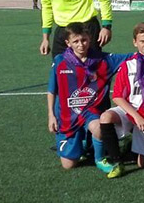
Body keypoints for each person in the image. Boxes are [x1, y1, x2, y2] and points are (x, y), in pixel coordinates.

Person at [46, 22, 130, 171]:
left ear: (90, 39)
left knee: (99, 127)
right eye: (76, 41)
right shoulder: (60, 61)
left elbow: (133, 57)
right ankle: (84, 143)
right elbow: (52, 91)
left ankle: (99, 159)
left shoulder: (103, 60)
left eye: (84, 40)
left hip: (91, 113)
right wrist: (51, 116)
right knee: (68, 165)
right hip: (68, 116)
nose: (81, 45)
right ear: (68, 43)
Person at [97, 23, 144, 177]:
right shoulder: (128, 65)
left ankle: (131, 143)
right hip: (132, 112)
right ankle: (117, 162)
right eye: (142, 41)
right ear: (135, 42)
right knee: (105, 117)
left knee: (143, 163)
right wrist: (136, 117)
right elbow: (117, 96)